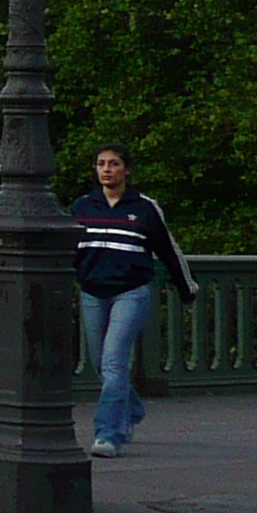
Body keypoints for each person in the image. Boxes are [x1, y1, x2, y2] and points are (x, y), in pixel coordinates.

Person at [70, 145, 195, 458]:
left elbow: (168, 250)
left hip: (131, 291)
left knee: (114, 360)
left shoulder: (144, 209)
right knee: (101, 363)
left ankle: (108, 435)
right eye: (101, 164)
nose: (107, 169)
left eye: (114, 164)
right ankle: (132, 407)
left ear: (127, 170)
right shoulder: (82, 207)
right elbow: (67, 252)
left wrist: (186, 287)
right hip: (92, 292)